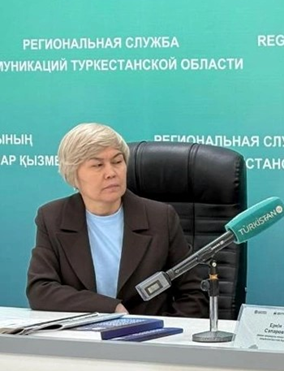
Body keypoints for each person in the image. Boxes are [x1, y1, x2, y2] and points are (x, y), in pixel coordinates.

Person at [26, 123, 206, 316]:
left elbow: (193, 294)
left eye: (117, 161)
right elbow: (40, 290)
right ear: (73, 174)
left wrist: (161, 330)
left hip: (149, 332)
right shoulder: (52, 217)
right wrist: (110, 308)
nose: (111, 173)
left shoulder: (160, 218)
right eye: (98, 165)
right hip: (82, 333)